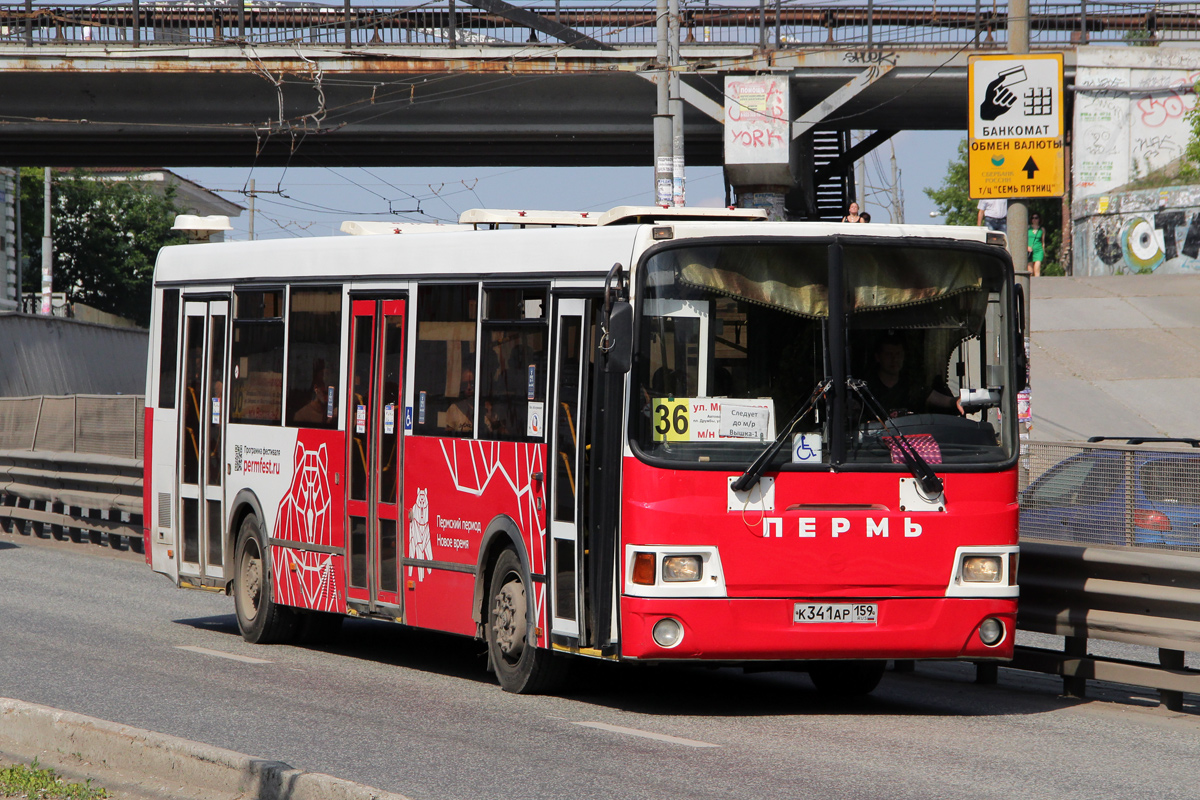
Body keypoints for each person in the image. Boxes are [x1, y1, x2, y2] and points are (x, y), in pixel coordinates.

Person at [865, 335, 962, 418]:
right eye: (888, 354)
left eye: (898, 354)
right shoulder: (866, 388)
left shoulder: (911, 386)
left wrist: (958, 401)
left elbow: (945, 401)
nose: (894, 359)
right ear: (878, 357)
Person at [445, 368, 475, 433]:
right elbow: (448, 435)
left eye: (472, 383)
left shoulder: (485, 408)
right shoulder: (454, 408)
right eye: (465, 384)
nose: (469, 387)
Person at [1027, 213, 1045, 277]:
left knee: (1037, 269)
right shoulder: (1028, 228)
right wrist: (1027, 247)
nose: (1034, 219)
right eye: (1032, 218)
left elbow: (1043, 242)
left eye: (1036, 218)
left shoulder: (1042, 229)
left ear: (1039, 219)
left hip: (1038, 250)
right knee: (1030, 271)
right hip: (1029, 251)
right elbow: (1024, 239)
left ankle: (1038, 282)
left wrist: (1043, 251)